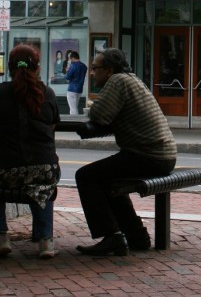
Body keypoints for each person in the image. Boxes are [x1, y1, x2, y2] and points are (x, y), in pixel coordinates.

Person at [74, 48, 176, 256]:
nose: (92, 73)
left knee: (85, 176)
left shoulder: (118, 81)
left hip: (147, 156)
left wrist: (93, 106)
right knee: (108, 181)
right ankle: (136, 236)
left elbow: (99, 114)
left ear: (109, 70)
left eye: (95, 68)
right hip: (162, 155)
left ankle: (111, 236)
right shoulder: (132, 79)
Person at [0, 44, 61, 259]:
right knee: (43, 180)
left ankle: (0, 237)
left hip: (0, 172)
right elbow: (51, 128)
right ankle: (45, 240)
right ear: (37, 67)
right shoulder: (48, 93)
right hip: (44, 169)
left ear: (9, 67)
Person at [65, 50, 87, 115]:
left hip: (72, 89)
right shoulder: (84, 66)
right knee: (75, 108)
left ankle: (74, 121)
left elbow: (67, 77)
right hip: (80, 89)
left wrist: (67, 70)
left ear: (72, 58)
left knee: (73, 110)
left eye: (70, 59)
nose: (70, 60)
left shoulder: (72, 65)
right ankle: (77, 119)